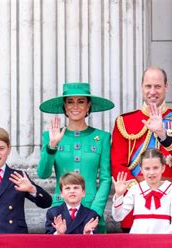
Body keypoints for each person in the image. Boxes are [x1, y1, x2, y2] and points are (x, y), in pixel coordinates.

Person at [111, 66, 172, 232]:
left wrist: (164, 135)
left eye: (157, 86)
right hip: (135, 207)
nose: (152, 91)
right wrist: (140, 193)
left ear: (166, 87)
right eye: (148, 86)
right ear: (142, 87)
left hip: (171, 206)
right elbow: (117, 165)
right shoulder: (125, 122)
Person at [37, 82, 114, 233]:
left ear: (88, 105)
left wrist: (96, 211)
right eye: (70, 102)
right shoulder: (50, 136)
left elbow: (106, 178)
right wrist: (52, 146)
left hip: (92, 209)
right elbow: (42, 173)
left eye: (81, 101)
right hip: (61, 211)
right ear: (64, 106)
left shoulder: (102, 137)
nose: (75, 106)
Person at [112, 148, 172, 233]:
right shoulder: (135, 189)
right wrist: (119, 195)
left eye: (155, 168)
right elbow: (118, 217)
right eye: (147, 168)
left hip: (163, 242)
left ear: (163, 168)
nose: (151, 172)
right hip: (138, 241)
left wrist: (165, 239)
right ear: (141, 170)